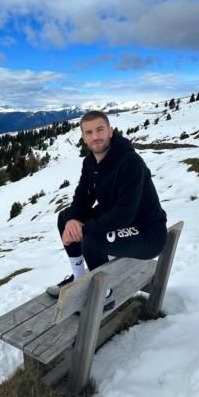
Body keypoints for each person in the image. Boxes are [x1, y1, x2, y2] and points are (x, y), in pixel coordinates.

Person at [46, 110, 167, 305]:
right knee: (65, 218)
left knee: (92, 240)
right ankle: (78, 279)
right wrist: (72, 220)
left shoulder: (130, 162)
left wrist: (83, 229)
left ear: (111, 131)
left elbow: (125, 213)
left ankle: (104, 296)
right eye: (89, 132)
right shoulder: (90, 161)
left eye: (100, 130)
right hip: (119, 222)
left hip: (147, 232)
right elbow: (83, 194)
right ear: (83, 137)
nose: (95, 137)